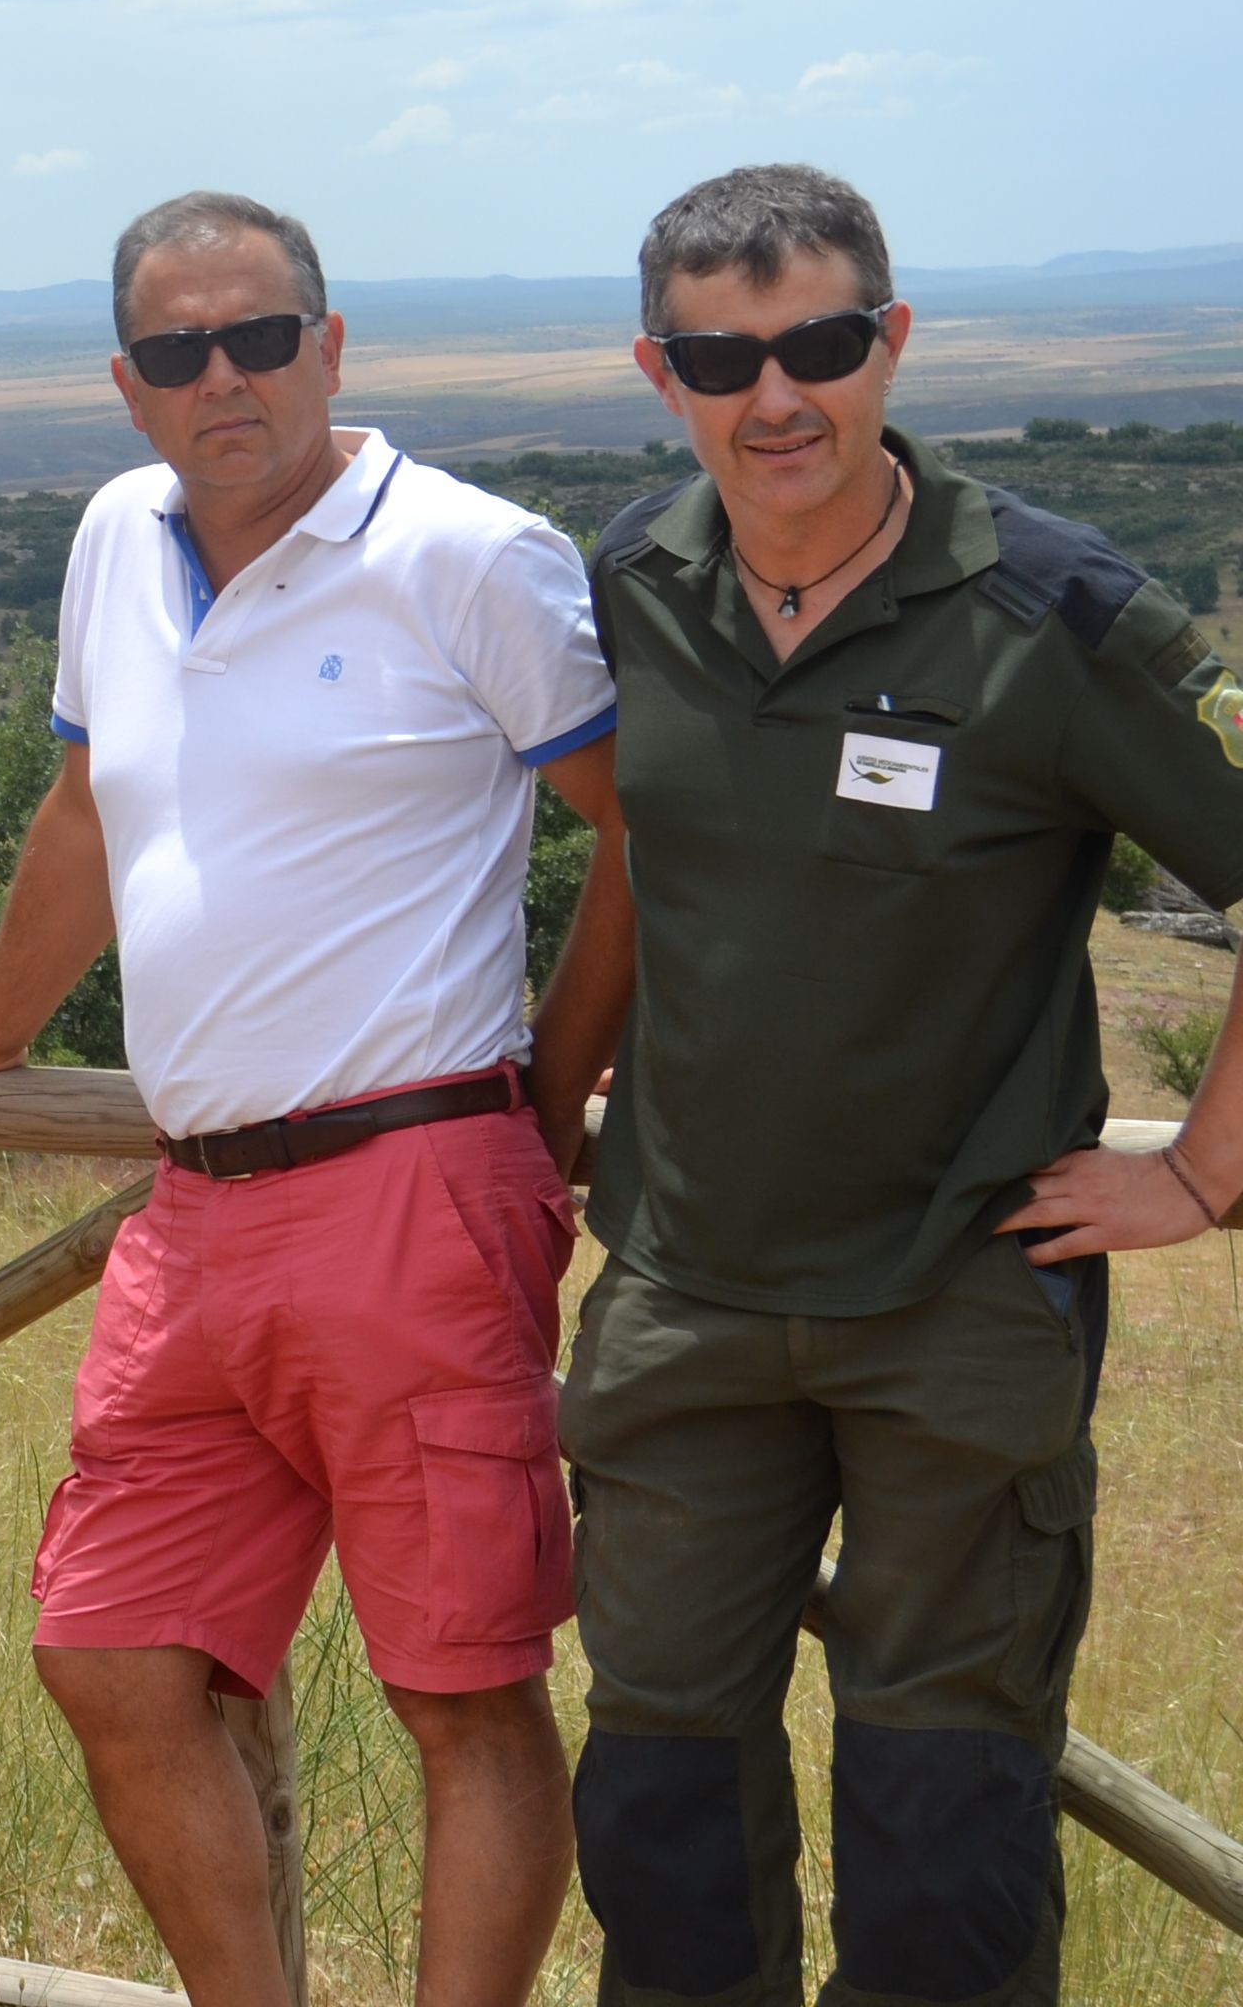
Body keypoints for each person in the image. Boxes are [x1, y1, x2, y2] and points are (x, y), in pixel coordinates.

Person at [0, 194, 621, 2007]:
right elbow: (82, 817)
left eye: (260, 337)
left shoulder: (474, 556)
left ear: (332, 343)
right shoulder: (114, 538)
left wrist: (562, 1076)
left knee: (462, 1689)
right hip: (190, 1202)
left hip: (414, 1180)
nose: (225, 378)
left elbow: (653, 829)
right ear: (126, 385)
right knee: (114, 1658)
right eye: (177, 351)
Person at [533, 164, 1243, 2007]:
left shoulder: (1053, 615)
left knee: (944, 1824)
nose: (778, 398)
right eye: (724, 358)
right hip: (683, 1298)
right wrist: (548, 1102)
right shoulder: (637, 578)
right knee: (659, 1800)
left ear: (891, 341)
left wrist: (1205, 1174)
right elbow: (641, 864)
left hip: (959, 1302)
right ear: (660, 370)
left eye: (822, 345)